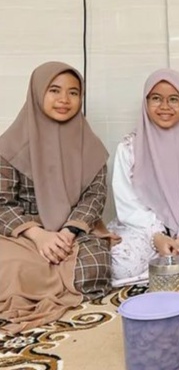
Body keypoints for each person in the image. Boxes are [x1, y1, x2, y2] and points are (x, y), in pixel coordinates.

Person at [0, 62, 113, 334]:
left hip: (73, 234)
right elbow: (2, 203)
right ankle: (45, 278)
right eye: (54, 90)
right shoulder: (9, 146)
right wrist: (39, 236)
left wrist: (67, 233)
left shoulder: (91, 145)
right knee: (9, 263)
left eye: (73, 93)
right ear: (37, 93)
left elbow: (95, 196)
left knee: (97, 265)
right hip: (23, 236)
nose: (64, 99)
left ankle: (34, 281)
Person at [108, 69, 179, 287]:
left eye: (173, 99)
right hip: (143, 230)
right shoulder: (129, 148)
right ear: (146, 102)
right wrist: (157, 236)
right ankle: (172, 269)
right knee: (121, 263)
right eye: (156, 98)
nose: (164, 106)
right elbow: (128, 201)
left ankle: (152, 272)